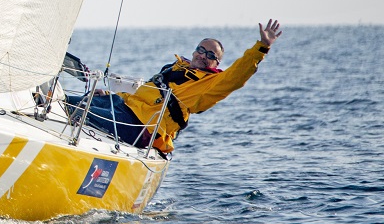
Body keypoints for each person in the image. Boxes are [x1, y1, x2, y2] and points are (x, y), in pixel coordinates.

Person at [66, 20, 283, 154]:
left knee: (77, 112)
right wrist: (112, 94)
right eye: (201, 49)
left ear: (216, 64)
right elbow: (148, 93)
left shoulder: (210, 85)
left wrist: (261, 47)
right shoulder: (176, 67)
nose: (202, 56)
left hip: (144, 127)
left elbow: (237, 75)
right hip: (123, 105)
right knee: (62, 101)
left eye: (210, 55)